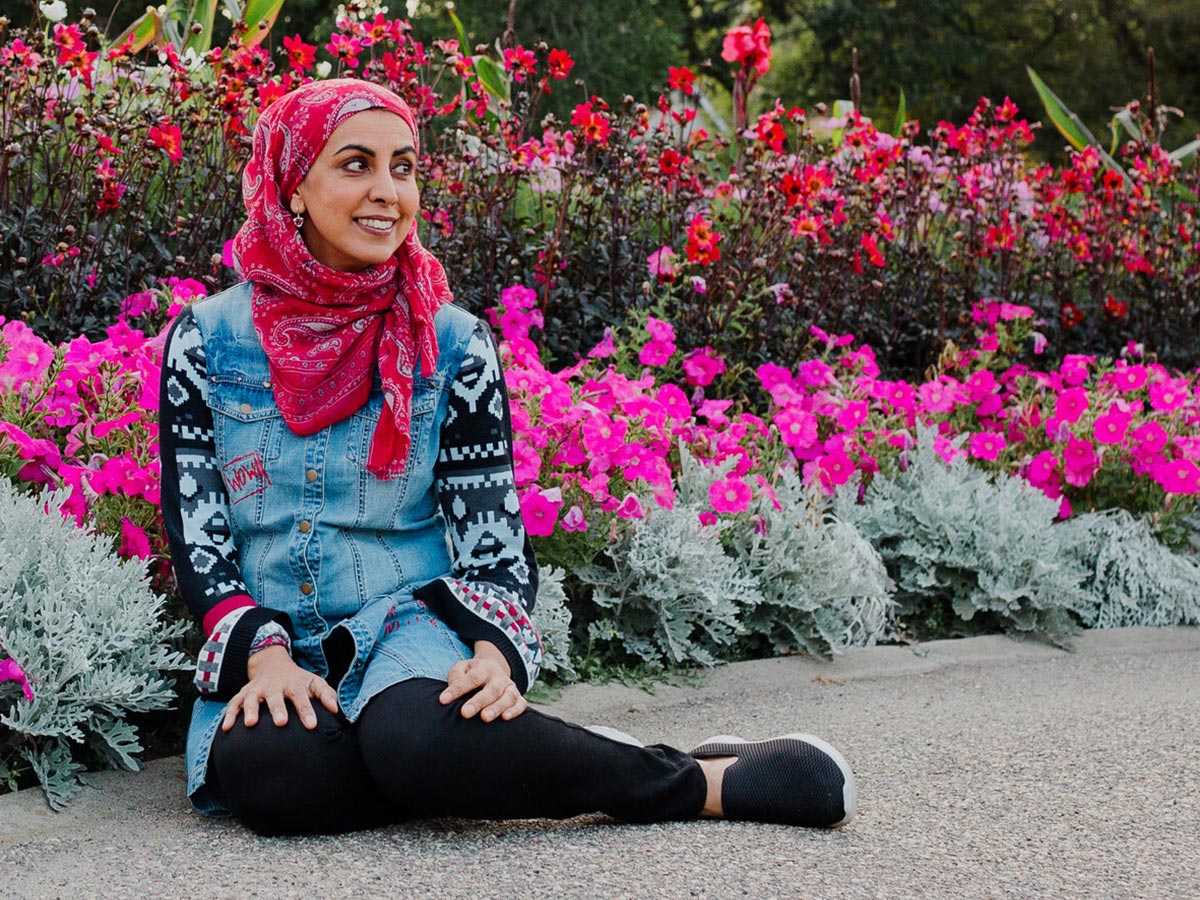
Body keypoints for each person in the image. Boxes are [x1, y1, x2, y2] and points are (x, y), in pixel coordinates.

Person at [159, 78, 857, 836]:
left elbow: (491, 538)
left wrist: (494, 652)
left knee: (412, 737)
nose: (387, 192)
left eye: (404, 167)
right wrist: (262, 657)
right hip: (276, 641)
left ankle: (693, 782)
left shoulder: (451, 342)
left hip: (407, 630)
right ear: (293, 185)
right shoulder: (207, 341)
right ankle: (515, 758)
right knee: (271, 775)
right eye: (355, 164)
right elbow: (200, 533)